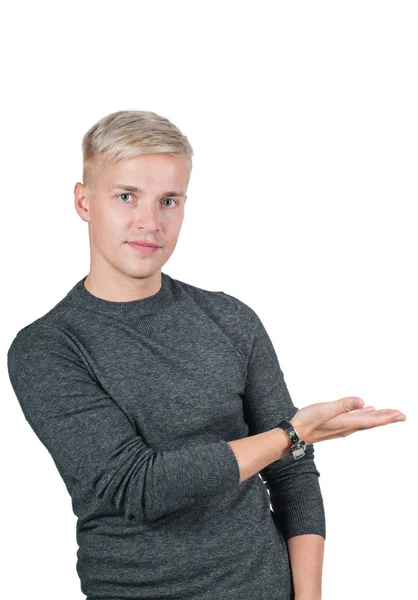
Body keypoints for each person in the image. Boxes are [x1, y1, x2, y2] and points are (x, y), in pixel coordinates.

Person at [7, 110, 406, 600]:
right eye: (126, 196)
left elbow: (293, 472)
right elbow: (139, 487)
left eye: (168, 201)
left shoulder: (230, 319)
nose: (149, 223)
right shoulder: (48, 348)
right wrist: (291, 434)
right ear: (84, 201)